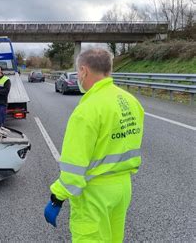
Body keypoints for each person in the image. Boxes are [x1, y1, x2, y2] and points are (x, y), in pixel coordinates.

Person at [44, 49, 144, 242]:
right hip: (122, 188)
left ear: (83, 71)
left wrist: (57, 197)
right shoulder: (131, 101)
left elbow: (74, 168)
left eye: (78, 72)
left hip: (94, 193)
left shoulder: (87, 110)